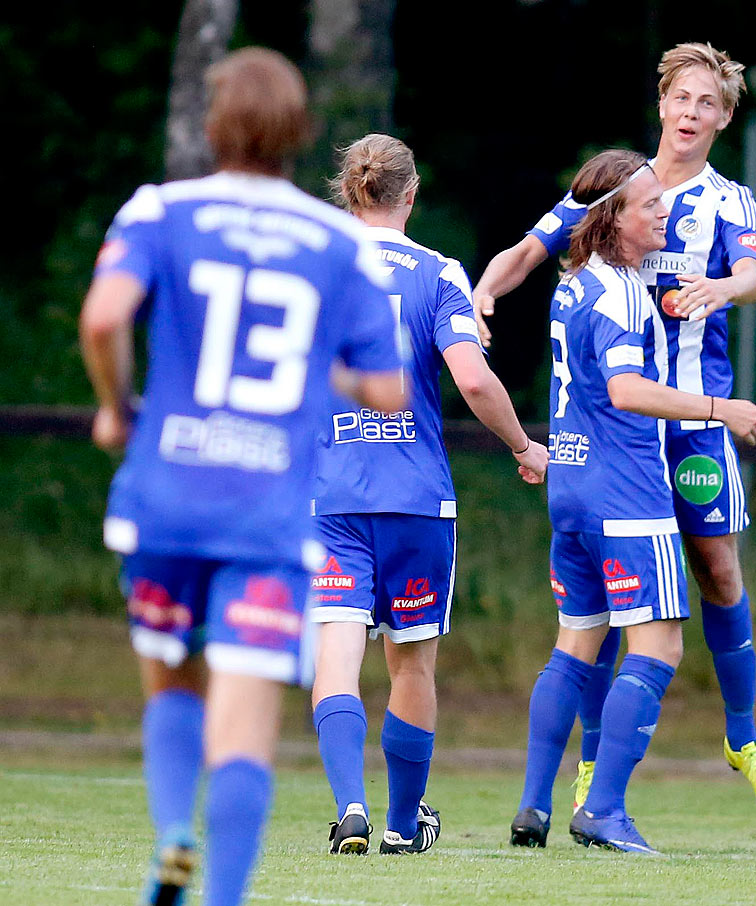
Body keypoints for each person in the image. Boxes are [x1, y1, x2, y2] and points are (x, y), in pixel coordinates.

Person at [79, 48, 406, 906]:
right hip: (267, 508)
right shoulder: (336, 239)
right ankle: (220, 894)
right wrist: (314, 370)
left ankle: (174, 833)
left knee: (172, 676)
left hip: (168, 495)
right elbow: (387, 386)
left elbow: (105, 315)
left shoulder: (162, 210)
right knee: (247, 722)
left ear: (213, 125)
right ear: (300, 136)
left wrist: (116, 405)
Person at [475, 41, 756, 816]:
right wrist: (484, 293)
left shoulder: (730, 201)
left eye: (707, 104)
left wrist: (721, 288)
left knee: (718, 569)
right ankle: (593, 771)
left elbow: (752, 276)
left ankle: (742, 736)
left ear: (724, 117)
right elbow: (529, 250)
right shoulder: (620, 185)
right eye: (681, 98)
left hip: (691, 419)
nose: (691, 113)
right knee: (617, 601)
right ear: (662, 103)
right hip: (618, 430)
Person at [507, 149, 756, 854]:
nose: (666, 213)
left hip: (568, 483)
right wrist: (721, 408)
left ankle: (533, 808)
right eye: (651, 205)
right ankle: (603, 810)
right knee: (657, 646)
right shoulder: (625, 292)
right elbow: (627, 392)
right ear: (612, 220)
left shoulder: (573, 283)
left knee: (574, 646)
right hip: (625, 489)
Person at [310, 134, 549, 857]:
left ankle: (349, 805)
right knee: (411, 664)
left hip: (333, 497)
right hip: (414, 498)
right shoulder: (438, 272)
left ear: (349, 192)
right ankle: (402, 824)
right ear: (410, 195)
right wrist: (522, 446)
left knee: (335, 660)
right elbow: (472, 380)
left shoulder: (315, 270)